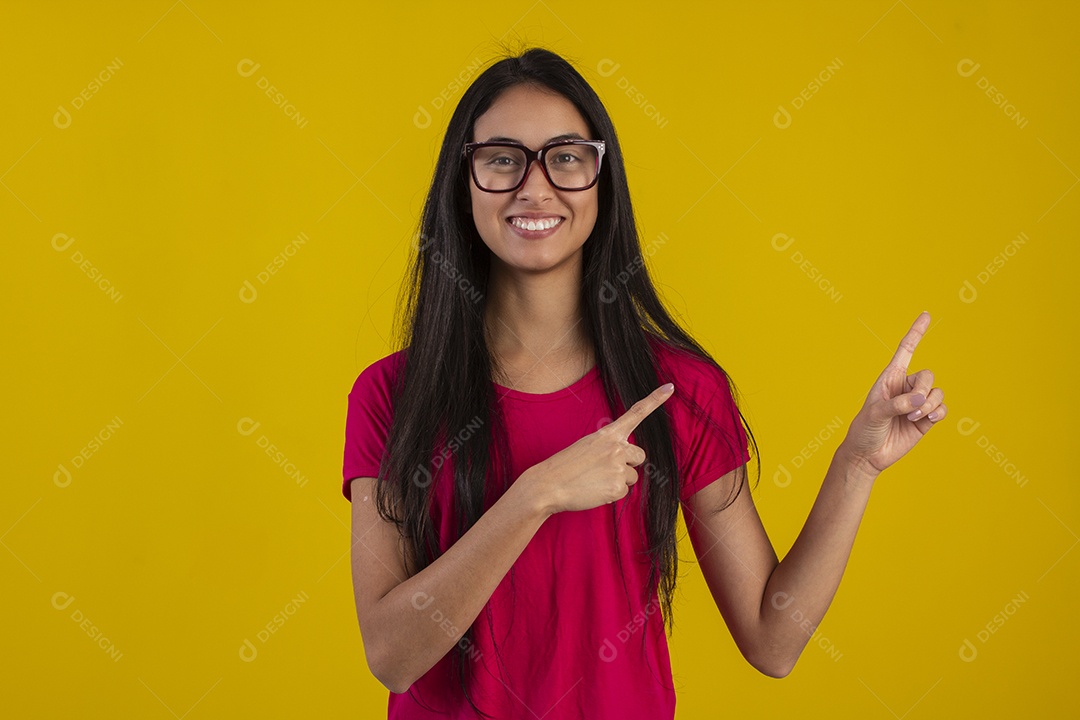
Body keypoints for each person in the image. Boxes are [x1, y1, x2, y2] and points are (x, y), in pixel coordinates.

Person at [341, 46, 946, 719]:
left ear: (602, 179)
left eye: (566, 157)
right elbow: (392, 657)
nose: (534, 187)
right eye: (503, 158)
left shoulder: (678, 390)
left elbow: (773, 641)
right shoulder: (392, 394)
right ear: (465, 181)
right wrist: (534, 496)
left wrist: (857, 465)